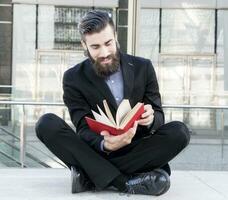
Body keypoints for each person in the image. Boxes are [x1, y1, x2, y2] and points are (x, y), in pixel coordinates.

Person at [35, 10, 190, 196]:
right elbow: (82, 128)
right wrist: (106, 144)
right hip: (99, 150)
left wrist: (150, 119)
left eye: (108, 43)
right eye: (95, 47)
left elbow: (158, 115)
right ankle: (125, 182)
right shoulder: (73, 78)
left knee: (180, 132)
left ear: (115, 36)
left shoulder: (143, 67)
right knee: (46, 124)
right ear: (84, 45)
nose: (105, 52)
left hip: (136, 148)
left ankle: (90, 174)